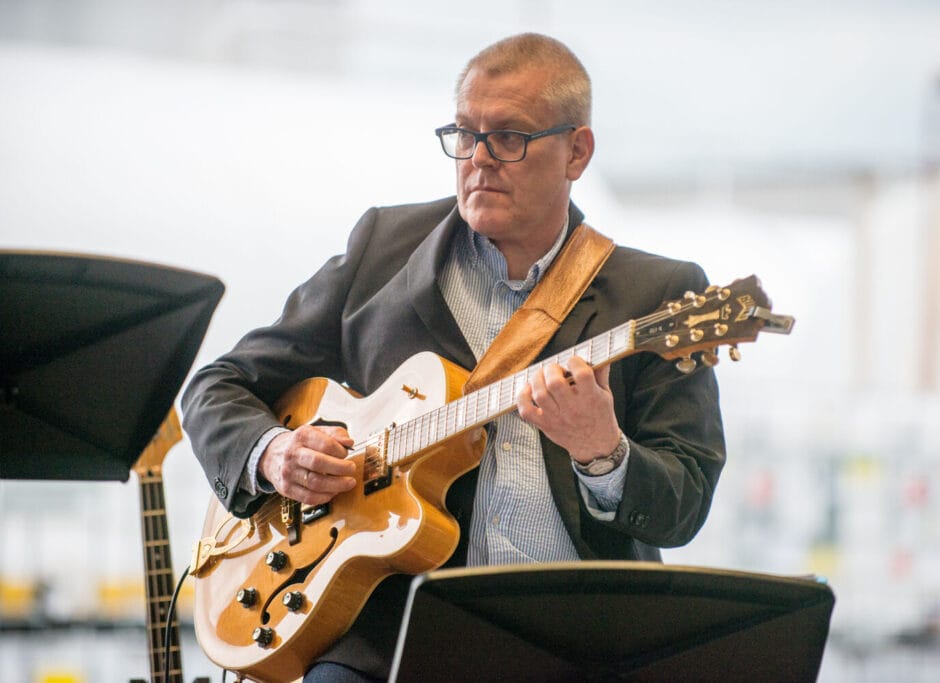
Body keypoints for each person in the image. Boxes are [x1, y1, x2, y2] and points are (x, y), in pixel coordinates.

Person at [182, 32, 726, 682]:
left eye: (510, 137)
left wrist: (601, 450)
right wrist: (271, 453)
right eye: (464, 134)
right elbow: (219, 384)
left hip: (578, 645)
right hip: (388, 639)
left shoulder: (659, 296)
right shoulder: (381, 251)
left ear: (577, 151)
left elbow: (684, 504)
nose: (479, 159)